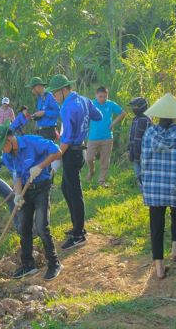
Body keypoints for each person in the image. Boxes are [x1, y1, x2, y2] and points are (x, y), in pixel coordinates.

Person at [0, 124, 63, 281]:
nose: (1, 150)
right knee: (23, 227)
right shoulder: (8, 155)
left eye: (2, 146)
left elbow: (57, 151)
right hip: (25, 191)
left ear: (9, 139)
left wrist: (40, 167)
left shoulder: (31, 142)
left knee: (41, 226)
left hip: (42, 187)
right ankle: (28, 264)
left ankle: (54, 264)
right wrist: (18, 195)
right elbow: (17, 176)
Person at [46, 74, 102, 250]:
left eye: (55, 93)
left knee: (75, 192)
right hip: (80, 151)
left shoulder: (67, 107)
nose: (54, 97)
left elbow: (67, 139)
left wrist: (55, 156)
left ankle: (79, 234)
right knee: (66, 188)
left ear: (63, 90)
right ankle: (76, 227)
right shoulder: (84, 100)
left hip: (71, 152)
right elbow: (98, 116)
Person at [140, 93, 176, 279]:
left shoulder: (149, 133)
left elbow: (143, 160)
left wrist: (145, 180)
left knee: (156, 225)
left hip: (154, 186)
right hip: (175, 185)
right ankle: (175, 249)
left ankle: (159, 268)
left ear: (158, 115)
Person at [86, 87, 126, 187]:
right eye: (100, 96)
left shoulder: (110, 104)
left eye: (105, 96)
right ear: (96, 95)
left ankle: (102, 181)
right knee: (89, 158)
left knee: (105, 159)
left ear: (107, 96)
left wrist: (113, 123)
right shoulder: (91, 104)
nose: (102, 98)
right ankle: (91, 171)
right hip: (93, 137)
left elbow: (123, 113)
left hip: (107, 137)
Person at [127, 97, 151, 183]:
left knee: (144, 174)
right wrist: (129, 150)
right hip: (134, 153)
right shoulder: (135, 120)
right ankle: (141, 188)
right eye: (132, 107)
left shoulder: (147, 120)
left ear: (142, 107)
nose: (134, 109)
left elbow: (150, 138)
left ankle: (145, 190)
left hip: (144, 154)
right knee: (138, 174)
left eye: (135, 106)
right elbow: (131, 137)